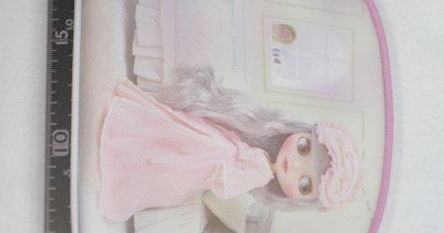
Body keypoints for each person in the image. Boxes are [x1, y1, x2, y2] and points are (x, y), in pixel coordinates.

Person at [98, 64, 364, 222]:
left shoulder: (260, 176)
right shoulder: (258, 143)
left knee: (167, 172)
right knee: (174, 138)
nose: (294, 164)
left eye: (304, 185)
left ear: (295, 201)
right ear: (300, 131)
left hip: (208, 166)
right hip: (213, 146)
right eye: (303, 148)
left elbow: (226, 185)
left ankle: (131, 162)